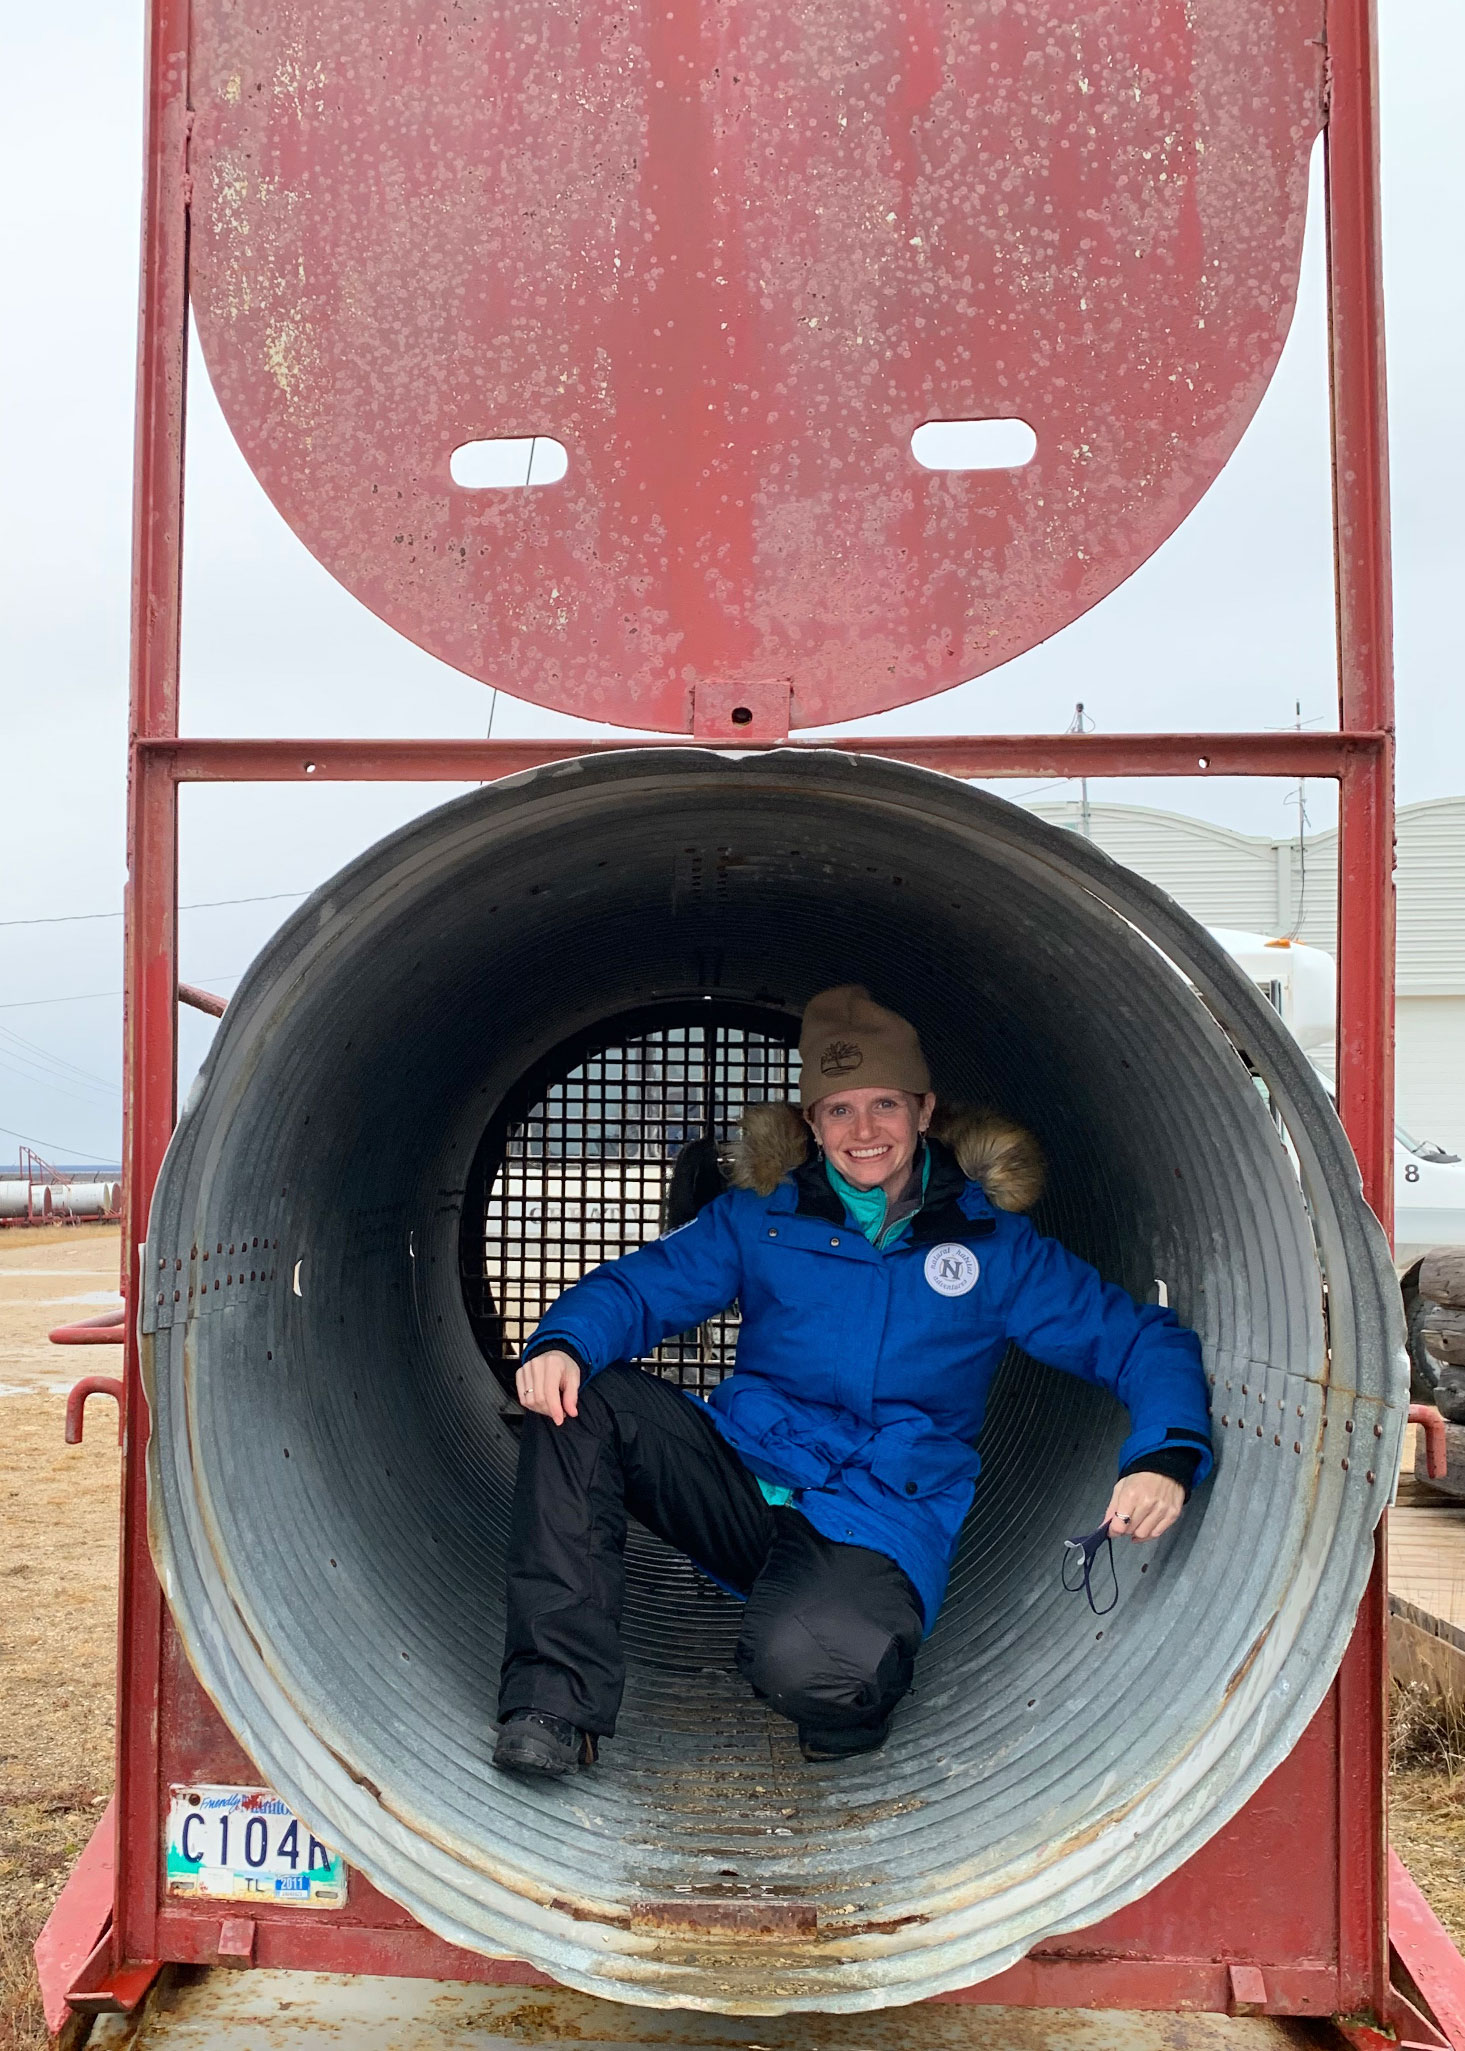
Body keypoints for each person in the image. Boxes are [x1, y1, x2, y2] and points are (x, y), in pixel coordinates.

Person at [494, 985, 1213, 1776]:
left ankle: (842, 1658)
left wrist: (1163, 1455)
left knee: (816, 1675)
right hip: (751, 1471)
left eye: (884, 1105)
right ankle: (553, 1706)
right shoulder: (761, 1216)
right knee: (581, 1398)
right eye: (838, 1109)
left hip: (879, 1506)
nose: (863, 1131)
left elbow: (1138, 1339)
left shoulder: (992, 1246)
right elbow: (640, 1287)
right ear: (810, 1122)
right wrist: (562, 1342)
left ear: (924, 1109)